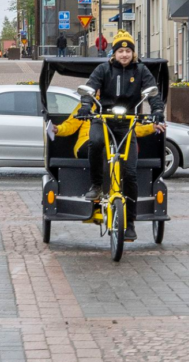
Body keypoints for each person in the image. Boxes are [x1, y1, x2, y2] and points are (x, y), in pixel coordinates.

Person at [78, 30, 165, 241]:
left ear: (132, 53)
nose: (124, 55)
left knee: (130, 172)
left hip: (128, 122)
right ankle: (97, 185)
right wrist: (85, 106)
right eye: (120, 51)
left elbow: (153, 93)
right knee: (96, 141)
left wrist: (157, 112)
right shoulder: (103, 69)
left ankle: (131, 222)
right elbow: (90, 88)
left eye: (128, 51)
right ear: (114, 53)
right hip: (103, 118)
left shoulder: (142, 70)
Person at [51, 94, 166, 158]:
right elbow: (71, 124)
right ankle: (98, 186)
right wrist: (58, 129)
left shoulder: (120, 106)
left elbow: (132, 127)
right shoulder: (87, 105)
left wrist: (152, 127)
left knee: (124, 150)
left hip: (115, 142)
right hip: (88, 142)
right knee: (103, 150)